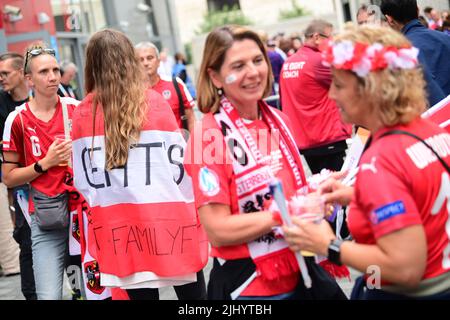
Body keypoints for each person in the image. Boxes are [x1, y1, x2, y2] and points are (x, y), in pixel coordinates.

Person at [283, 25, 450, 299]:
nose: (332, 95)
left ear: (369, 88)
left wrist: (329, 245)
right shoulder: (429, 131)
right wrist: (358, 194)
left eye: (339, 84)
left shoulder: (381, 159)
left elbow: (404, 268)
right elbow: (419, 193)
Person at [184, 25, 346, 300]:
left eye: (258, 60)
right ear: (215, 76)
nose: (253, 72)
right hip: (252, 287)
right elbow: (218, 230)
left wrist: (319, 191)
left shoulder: (276, 119)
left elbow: (279, 187)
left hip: (300, 269)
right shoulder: (208, 137)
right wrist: (283, 213)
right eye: (238, 65)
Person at [71, 29, 207, 300]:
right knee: (195, 299)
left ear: (92, 64)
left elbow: (84, 183)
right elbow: (181, 170)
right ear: (129, 60)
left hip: (119, 230)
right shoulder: (155, 103)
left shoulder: (83, 113)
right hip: (171, 222)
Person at [2, 43, 79, 300]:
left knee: (92, 293)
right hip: (46, 218)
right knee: (47, 296)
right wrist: (44, 163)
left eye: (56, 69)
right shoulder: (18, 119)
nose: (53, 76)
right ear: (29, 79)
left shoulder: (76, 109)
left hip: (84, 216)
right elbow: (8, 177)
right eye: (44, 71)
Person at [279, 20, 352, 175]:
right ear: (317, 37)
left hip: (306, 140)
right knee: (339, 187)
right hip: (327, 137)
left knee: (324, 188)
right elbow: (350, 82)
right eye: (331, 38)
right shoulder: (318, 60)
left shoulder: (288, 63)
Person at [0, 52, 36, 300]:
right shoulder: (1, 105)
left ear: (22, 75)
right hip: (18, 184)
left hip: (51, 181)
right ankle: (32, 294)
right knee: (26, 240)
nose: (1, 78)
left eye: (5, 73)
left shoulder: (44, 99)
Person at [380, 0, 450, 106]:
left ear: (389, 19)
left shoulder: (398, 56)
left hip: (430, 119)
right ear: (418, 10)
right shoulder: (446, 38)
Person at [135, 42, 195, 133]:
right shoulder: (130, 92)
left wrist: (194, 145)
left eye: (150, 58)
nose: (145, 63)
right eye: (140, 60)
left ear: (158, 62)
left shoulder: (175, 84)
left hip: (179, 145)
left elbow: (191, 120)